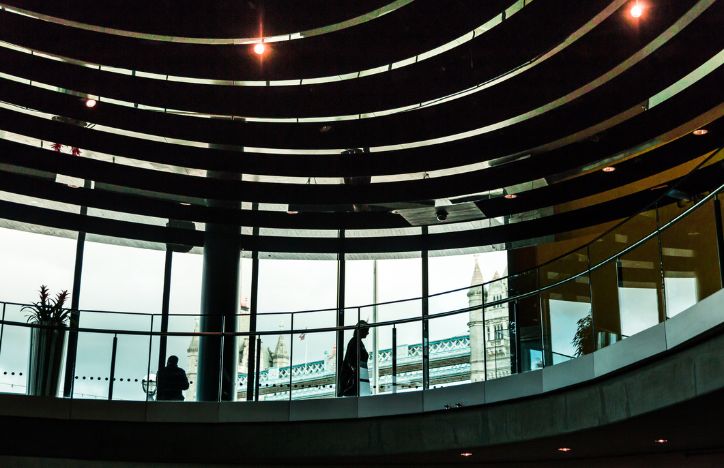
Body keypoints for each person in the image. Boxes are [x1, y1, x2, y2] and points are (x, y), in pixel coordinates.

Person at [339, 321, 370, 397]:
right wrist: (356, 371)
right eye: (366, 330)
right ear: (362, 330)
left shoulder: (356, 342)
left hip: (357, 377)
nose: (368, 333)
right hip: (354, 379)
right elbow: (351, 361)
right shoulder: (355, 342)